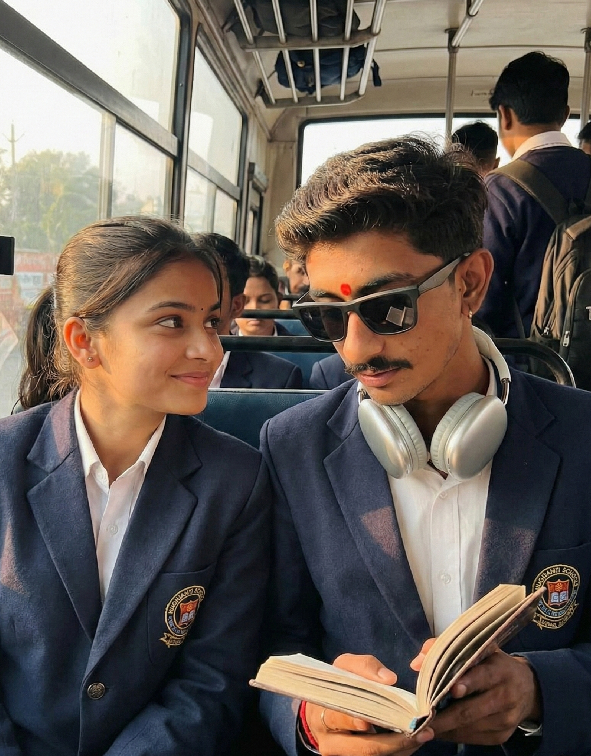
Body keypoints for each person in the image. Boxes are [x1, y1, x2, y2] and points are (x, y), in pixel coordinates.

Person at [259, 137, 591, 756]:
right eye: (329, 316)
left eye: (388, 307)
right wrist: (309, 717)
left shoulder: (583, 437)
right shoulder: (293, 447)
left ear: (471, 284)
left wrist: (540, 692)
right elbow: (273, 641)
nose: (356, 348)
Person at [0, 217, 271, 756]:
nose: (209, 349)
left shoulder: (235, 481)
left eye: (210, 321)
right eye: (172, 322)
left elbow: (211, 681)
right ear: (85, 341)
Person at [479, 51, 591, 338]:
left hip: (532, 358)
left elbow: (483, 295)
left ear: (505, 115)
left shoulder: (501, 189)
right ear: (565, 115)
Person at [196, 233, 302, 388]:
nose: (255, 309)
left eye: (206, 291)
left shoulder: (280, 376)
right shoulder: (161, 363)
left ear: (237, 305)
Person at [236, 255, 291, 336]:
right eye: (244, 301)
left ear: (278, 301)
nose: (254, 308)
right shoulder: (218, 342)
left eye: (265, 300)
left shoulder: (302, 344)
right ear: (233, 305)